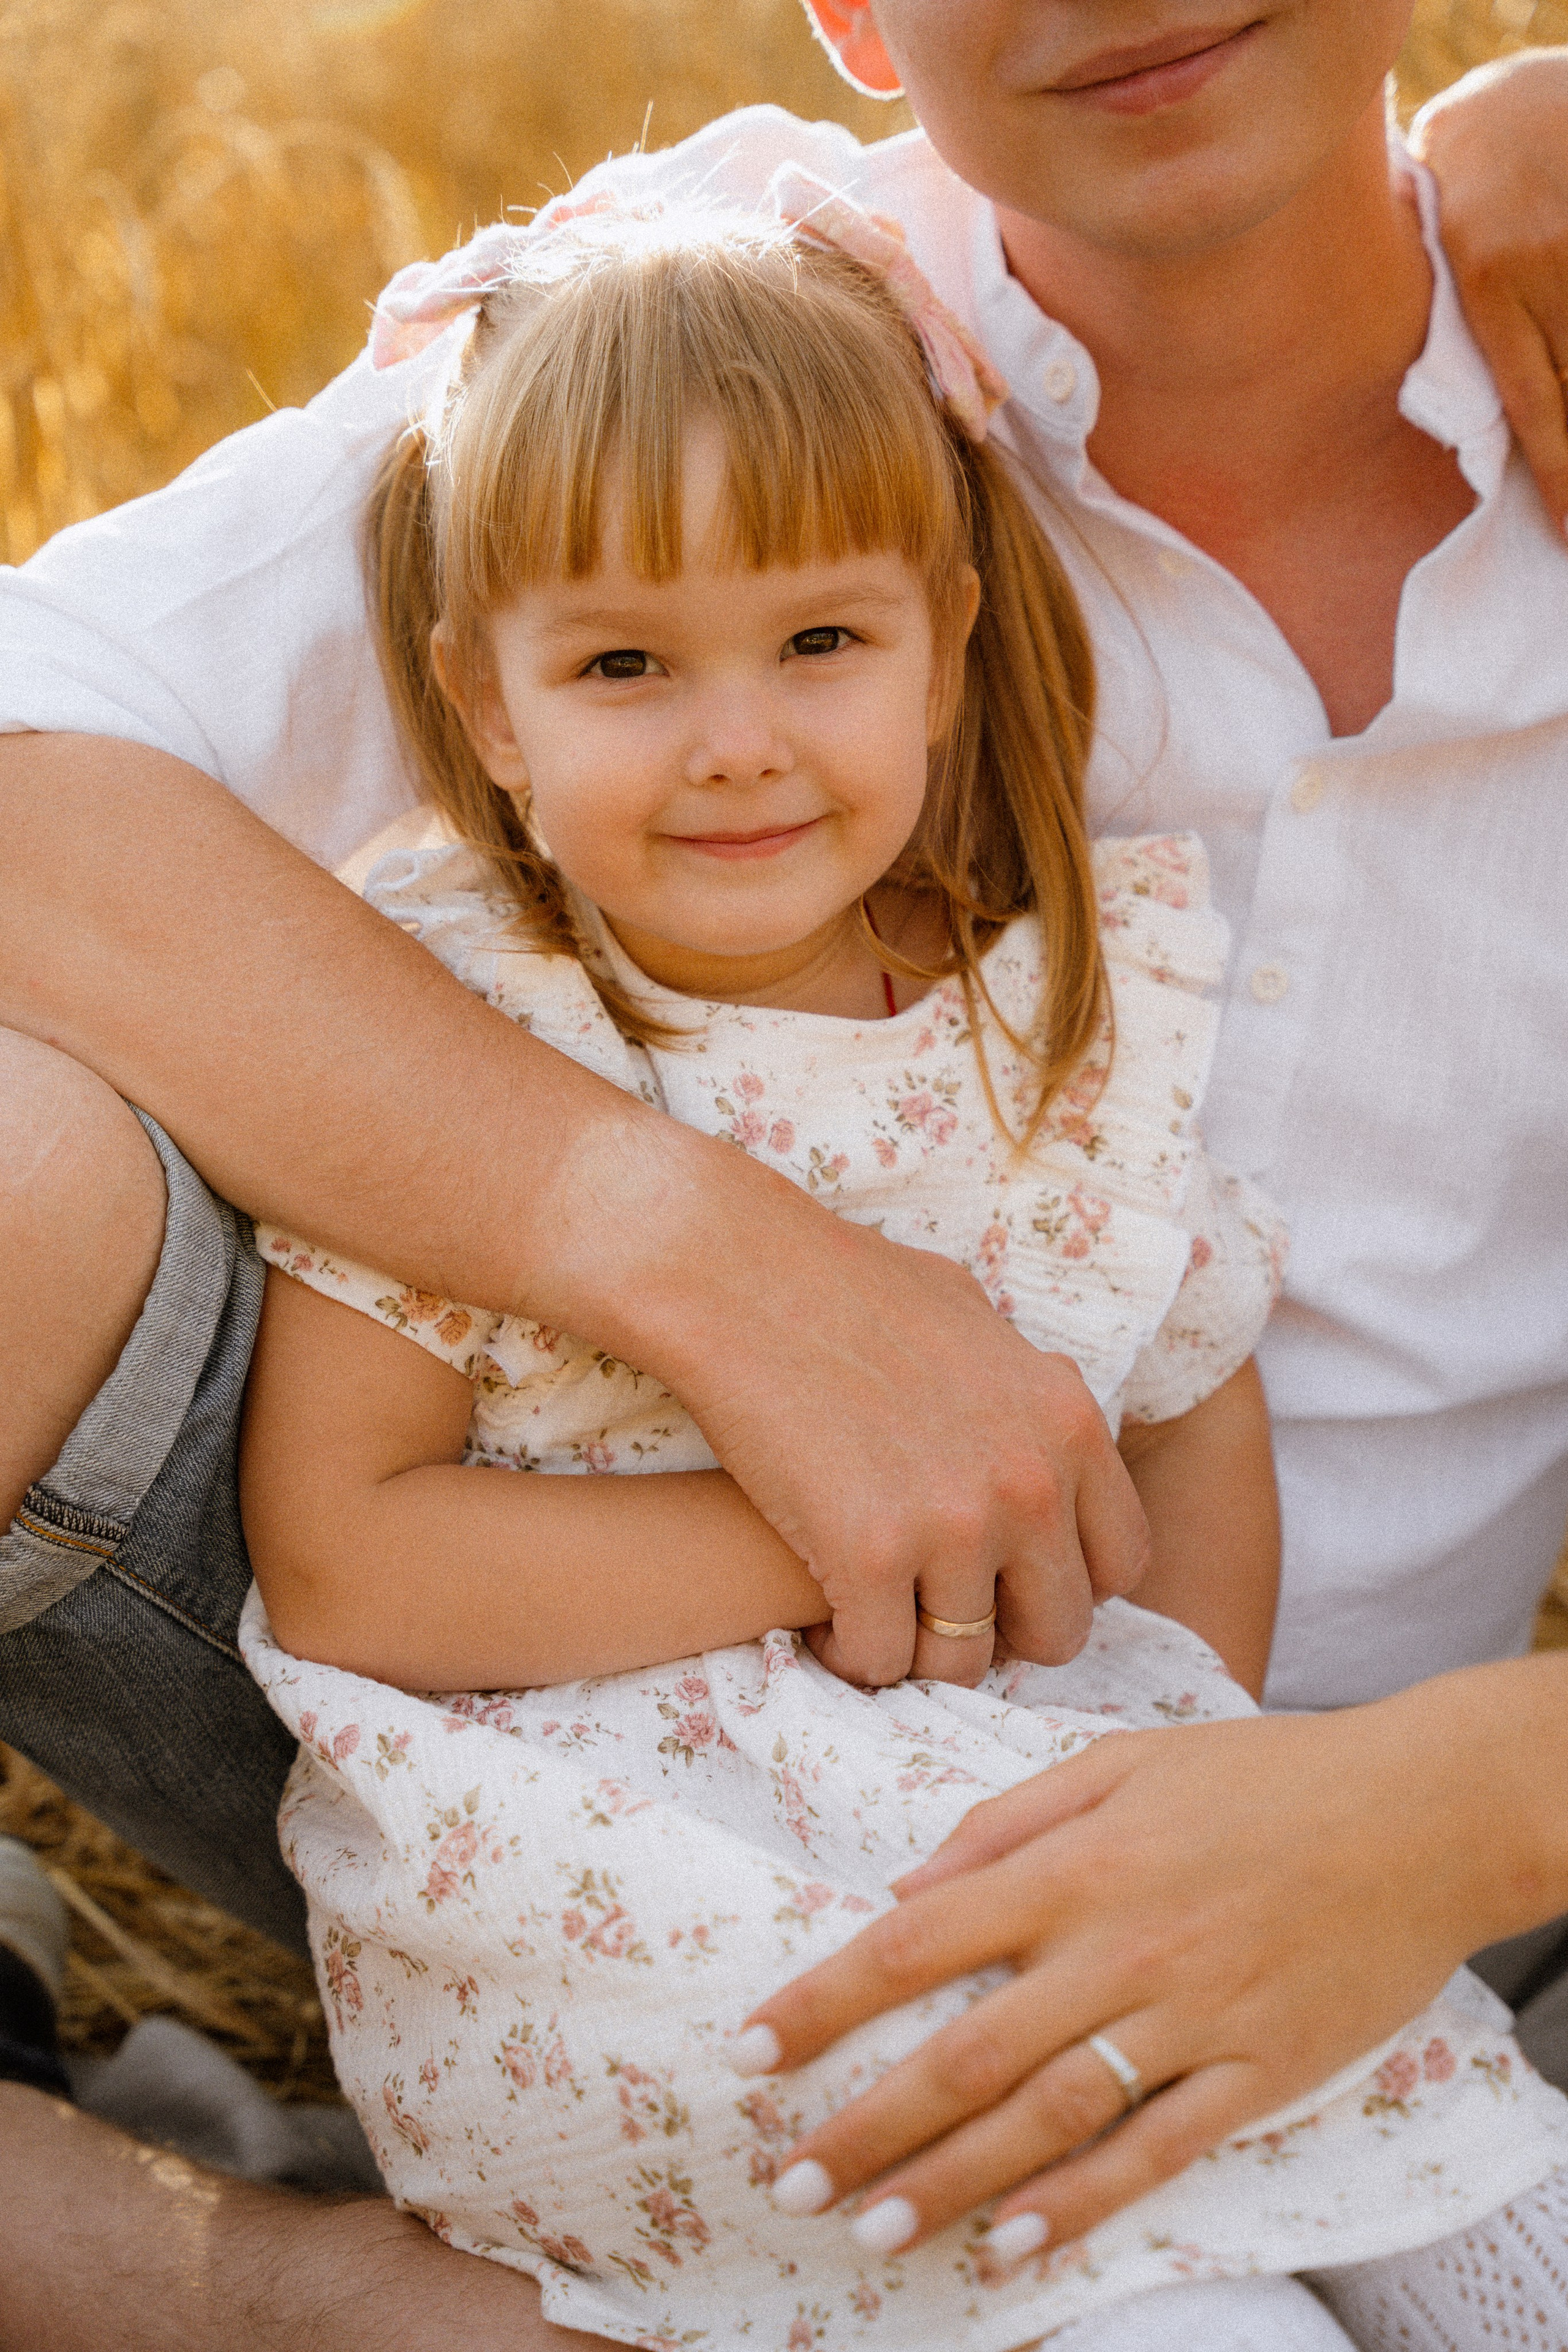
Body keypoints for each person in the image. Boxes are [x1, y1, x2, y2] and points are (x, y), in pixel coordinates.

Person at [1, 0, 1567, 2342]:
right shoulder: (716, 347)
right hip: (578, 1771)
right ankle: (241, 2281)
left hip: (1380, 1796)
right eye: (635, 673)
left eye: (827, 642)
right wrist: (693, 1253)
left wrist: (1454, 1804)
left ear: (943, 640)